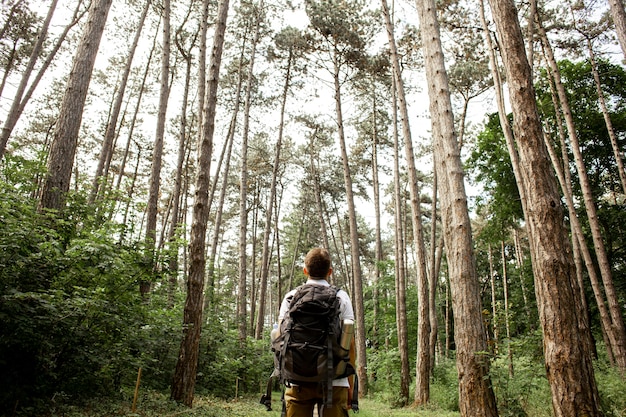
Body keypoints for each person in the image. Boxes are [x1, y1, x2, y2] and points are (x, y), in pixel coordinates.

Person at [278, 247, 355, 417]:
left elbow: (280, 339)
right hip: (335, 379)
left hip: (297, 380)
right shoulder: (342, 297)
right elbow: (349, 344)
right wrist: (350, 385)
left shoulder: (291, 297)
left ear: (305, 271)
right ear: (330, 271)